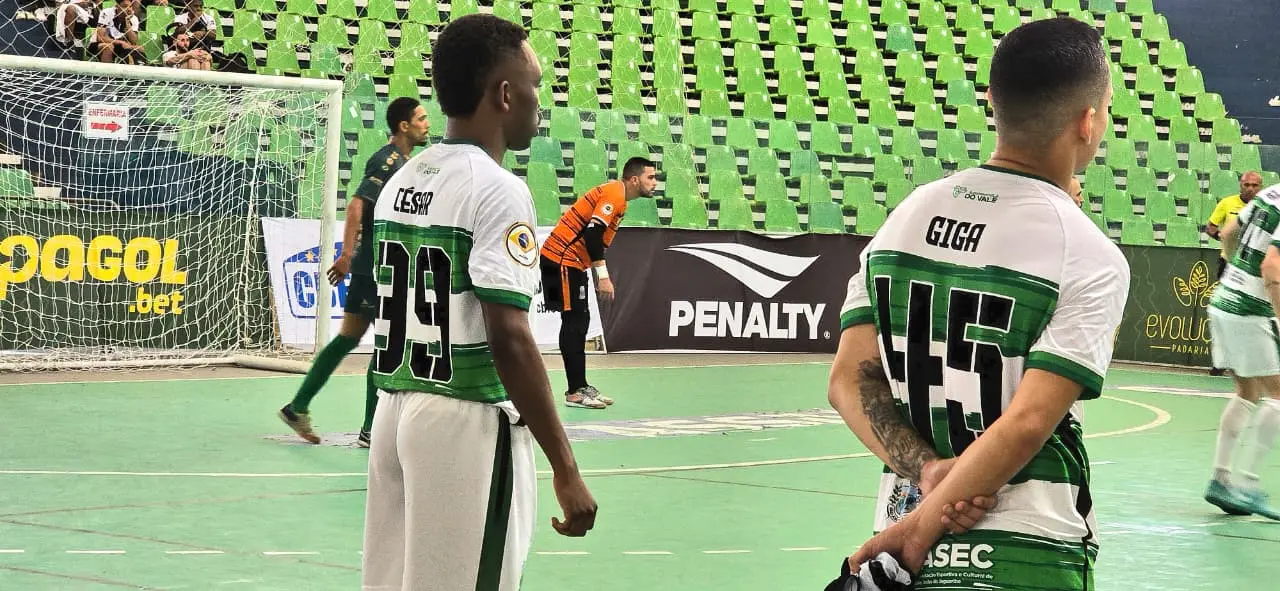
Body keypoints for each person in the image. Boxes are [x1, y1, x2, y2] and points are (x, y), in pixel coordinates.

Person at [828, 17, 1129, 590]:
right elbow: (1027, 424)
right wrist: (922, 529)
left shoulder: (906, 217)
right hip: (1025, 553)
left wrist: (929, 474)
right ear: (1088, 122)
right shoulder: (1088, 253)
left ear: (993, 102)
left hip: (898, 547)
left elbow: (848, 378)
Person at [360, 14, 596, 591]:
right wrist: (565, 467)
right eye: (537, 86)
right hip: (464, 421)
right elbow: (509, 336)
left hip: (395, 408)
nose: (541, 102)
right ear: (506, 93)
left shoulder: (404, 177)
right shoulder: (498, 188)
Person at [277, 96, 429, 448]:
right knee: (387, 342)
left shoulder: (405, 162)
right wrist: (346, 254)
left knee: (350, 337)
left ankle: (297, 406)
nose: (426, 123)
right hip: (375, 264)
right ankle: (370, 428)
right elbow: (358, 204)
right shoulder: (388, 160)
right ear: (403, 126)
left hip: (378, 263)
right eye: (420, 118)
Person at [538, 157, 658, 409]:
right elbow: (592, 234)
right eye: (651, 177)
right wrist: (603, 276)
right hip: (561, 259)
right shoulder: (614, 194)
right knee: (574, 321)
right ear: (634, 179)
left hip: (572, 262)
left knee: (579, 321)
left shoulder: (620, 197)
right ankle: (574, 392)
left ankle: (580, 386)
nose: (655, 183)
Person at [1202, 180, 1280, 520]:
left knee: (1246, 391)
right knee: (1278, 396)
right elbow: (1271, 266)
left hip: (1224, 299)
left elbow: (1227, 232)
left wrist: (1234, 272)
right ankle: (1248, 485)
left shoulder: (1269, 194)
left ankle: (1220, 480)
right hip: (1250, 307)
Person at [1208, 171, 1264, 279]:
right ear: (1240, 186)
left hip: (1255, 265)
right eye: (1246, 185)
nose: (1250, 189)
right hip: (1229, 262)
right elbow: (1210, 227)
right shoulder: (1226, 203)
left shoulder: (1267, 207)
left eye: (1254, 185)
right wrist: (1224, 237)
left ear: (1261, 187)